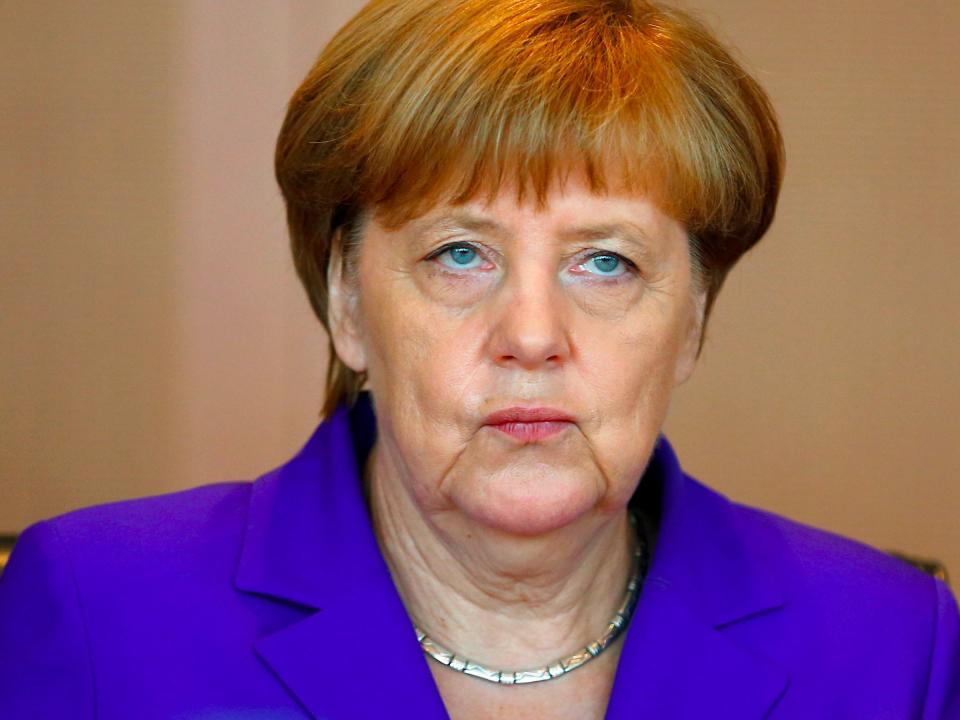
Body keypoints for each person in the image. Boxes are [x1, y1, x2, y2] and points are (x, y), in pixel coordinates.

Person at [1, 0, 958, 717]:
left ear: (694, 319)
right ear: (346, 302)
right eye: (461, 253)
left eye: (606, 261)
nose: (533, 333)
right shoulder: (100, 612)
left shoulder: (889, 646)